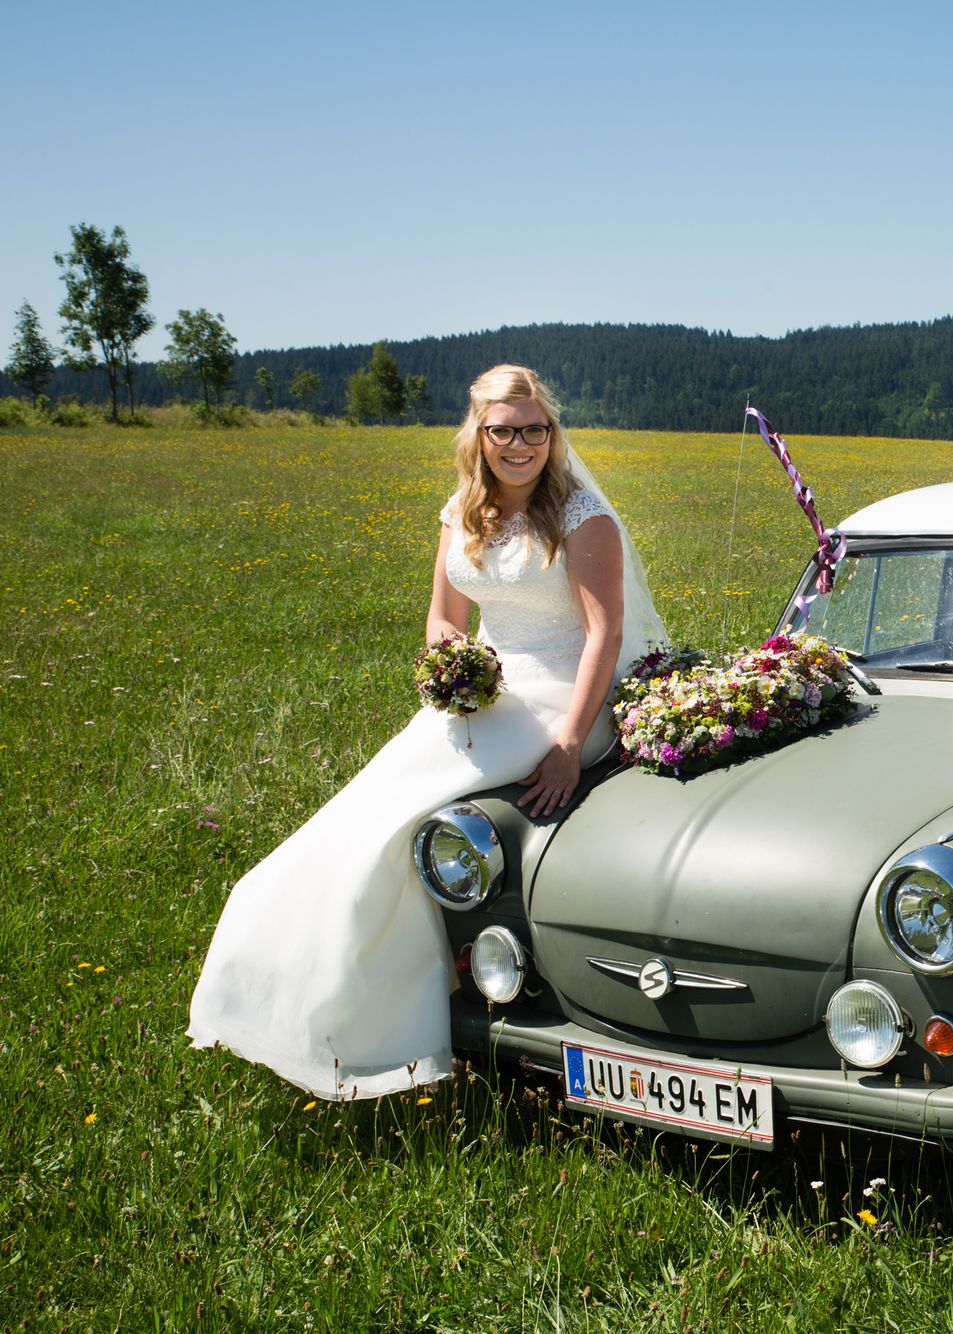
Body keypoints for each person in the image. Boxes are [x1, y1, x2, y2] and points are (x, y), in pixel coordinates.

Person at [188, 364, 668, 1099]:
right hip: (488, 695)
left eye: (535, 429)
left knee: (408, 822)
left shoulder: (580, 514)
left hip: (567, 693)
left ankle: (407, 1019)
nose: (520, 444)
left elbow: (605, 634)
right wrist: (456, 670)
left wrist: (571, 746)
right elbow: (444, 620)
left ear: (552, 433)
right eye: (503, 429)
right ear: (478, 433)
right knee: (364, 812)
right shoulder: (461, 510)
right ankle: (310, 1002)